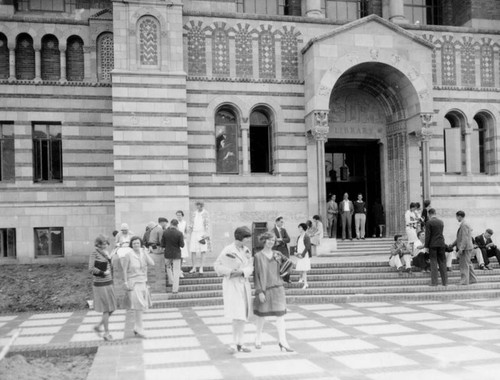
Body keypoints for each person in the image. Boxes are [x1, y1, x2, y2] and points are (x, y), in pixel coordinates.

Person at [214, 226, 253, 353]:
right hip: (232, 284)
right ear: (241, 238)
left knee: (243, 314)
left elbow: (251, 266)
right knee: (237, 314)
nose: (248, 241)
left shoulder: (246, 250)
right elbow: (217, 266)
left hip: (243, 283)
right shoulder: (228, 249)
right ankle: (234, 342)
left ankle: (240, 342)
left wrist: (243, 272)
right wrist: (230, 272)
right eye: (247, 238)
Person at [253, 232, 293, 352]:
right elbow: (256, 276)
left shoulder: (278, 254)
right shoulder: (258, 256)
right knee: (261, 316)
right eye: (269, 239)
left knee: (280, 316)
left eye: (273, 240)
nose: (271, 242)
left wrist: (283, 272)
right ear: (264, 240)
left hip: (278, 288)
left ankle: (283, 342)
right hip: (265, 289)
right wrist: (259, 291)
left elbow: (289, 264)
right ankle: (258, 337)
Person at [121, 236, 155, 338]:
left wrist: (145, 252)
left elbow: (152, 263)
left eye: (138, 243)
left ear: (141, 244)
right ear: (131, 244)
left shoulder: (143, 254)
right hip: (133, 282)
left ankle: (137, 327)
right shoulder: (128, 255)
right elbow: (124, 269)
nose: (136, 245)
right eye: (134, 243)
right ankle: (140, 328)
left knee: (140, 306)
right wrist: (125, 282)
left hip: (143, 282)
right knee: (138, 305)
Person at [89, 234, 117, 341]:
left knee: (112, 308)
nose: (105, 245)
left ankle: (98, 326)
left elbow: (110, 266)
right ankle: (106, 333)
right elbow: (91, 268)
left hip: (109, 282)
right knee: (106, 309)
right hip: (100, 283)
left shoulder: (106, 253)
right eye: (103, 243)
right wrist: (103, 272)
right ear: (98, 244)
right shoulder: (94, 253)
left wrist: (110, 259)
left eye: (106, 243)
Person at [450, 211, 477, 285]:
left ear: (459, 216)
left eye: (456, 217)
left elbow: (464, 238)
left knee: (464, 265)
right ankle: (473, 279)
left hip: (465, 248)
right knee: (468, 263)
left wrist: (461, 249)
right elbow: (460, 238)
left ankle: (464, 281)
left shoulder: (464, 225)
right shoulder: (465, 224)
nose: (456, 218)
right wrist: (452, 244)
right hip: (468, 247)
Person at [424, 208, 447, 286]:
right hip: (441, 244)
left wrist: (426, 246)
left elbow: (428, 236)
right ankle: (445, 282)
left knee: (433, 263)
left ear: (429, 214)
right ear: (435, 213)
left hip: (433, 245)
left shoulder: (429, 222)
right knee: (443, 263)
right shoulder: (441, 222)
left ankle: (434, 282)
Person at [161, 219, 185, 294]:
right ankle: (175, 289)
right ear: (177, 225)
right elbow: (182, 245)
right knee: (176, 271)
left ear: (171, 224)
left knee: (168, 267)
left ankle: (171, 281)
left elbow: (162, 244)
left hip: (167, 253)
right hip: (176, 254)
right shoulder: (179, 233)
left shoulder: (165, 232)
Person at [189, 201, 210, 274]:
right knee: (193, 250)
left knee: (203, 251)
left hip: (202, 233)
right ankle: (194, 267)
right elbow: (192, 223)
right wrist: (190, 228)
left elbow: (207, 224)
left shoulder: (205, 213)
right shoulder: (194, 213)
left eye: (199, 206)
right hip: (194, 233)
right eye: (197, 206)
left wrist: (206, 234)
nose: (197, 207)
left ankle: (201, 267)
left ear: (202, 206)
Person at [272, 216, 291, 283]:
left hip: (284, 250)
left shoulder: (283, 230)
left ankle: (287, 279)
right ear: (277, 222)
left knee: (287, 263)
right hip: (277, 249)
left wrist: (281, 239)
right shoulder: (273, 230)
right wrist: (278, 240)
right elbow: (273, 240)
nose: (282, 223)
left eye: (283, 222)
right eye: (281, 222)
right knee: (278, 265)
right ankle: (279, 280)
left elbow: (288, 239)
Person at [295, 223, 312, 289]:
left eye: (300, 227)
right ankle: (301, 279)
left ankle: (305, 283)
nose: (299, 229)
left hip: (304, 255)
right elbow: (297, 245)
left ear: (303, 228)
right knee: (300, 268)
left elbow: (307, 247)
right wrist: (296, 252)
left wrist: (302, 255)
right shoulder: (299, 236)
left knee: (304, 270)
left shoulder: (306, 236)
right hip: (299, 254)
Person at [176, 211, 189, 275]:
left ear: (182, 216)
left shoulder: (185, 222)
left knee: (182, 255)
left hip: (183, 240)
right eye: (177, 215)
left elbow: (186, 231)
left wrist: (185, 235)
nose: (178, 216)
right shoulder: (175, 222)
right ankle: (177, 270)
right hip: (177, 240)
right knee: (178, 255)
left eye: (180, 215)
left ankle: (180, 269)